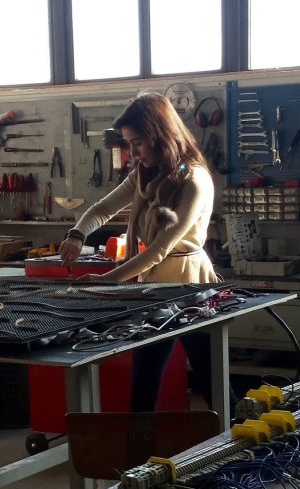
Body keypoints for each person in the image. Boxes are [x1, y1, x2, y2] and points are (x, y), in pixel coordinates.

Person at [57, 92, 223, 413]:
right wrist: (77, 235)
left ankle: (240, 436)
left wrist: (108, 281)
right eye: (128, 143)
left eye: (137, 143)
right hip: (154, 289)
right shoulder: (145, 175)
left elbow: (160, 249)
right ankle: (139, 441)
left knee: (210, 379)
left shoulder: (194, 179)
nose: (132, 153)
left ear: (160, 136)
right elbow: (102, 209)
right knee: (145, 379)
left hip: (190, 290)